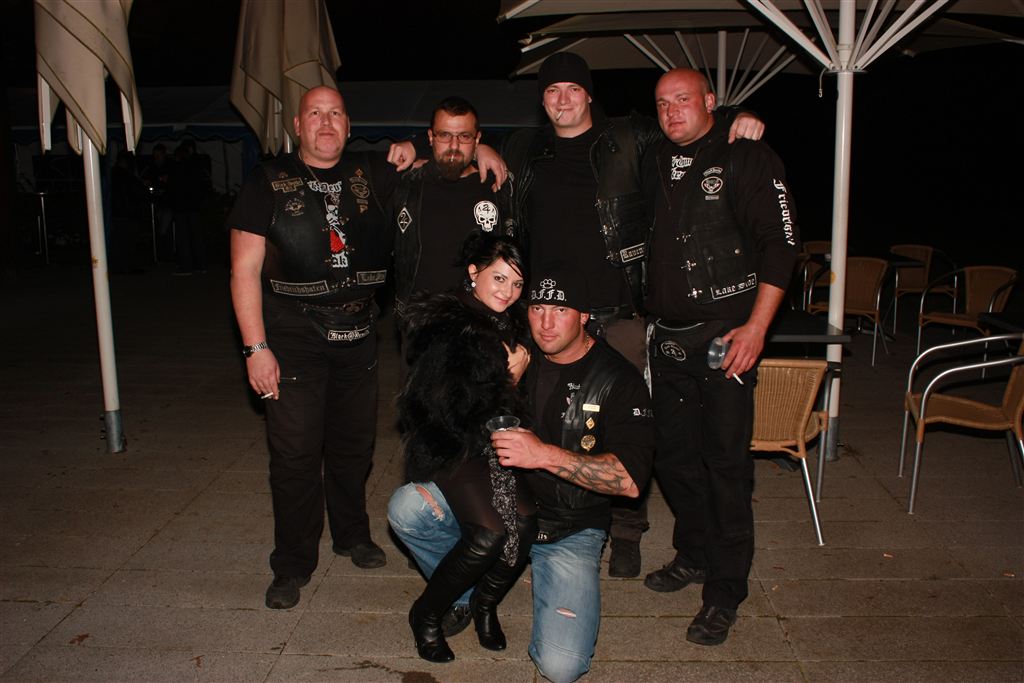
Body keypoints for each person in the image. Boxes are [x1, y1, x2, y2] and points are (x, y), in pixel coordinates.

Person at [496, 51, 765, 579]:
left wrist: (739, 116)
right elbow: (496, 178)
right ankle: (545, 514)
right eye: (552, 90)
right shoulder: (525, 149)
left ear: (589, 94)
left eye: (573, 89)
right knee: (547, 416)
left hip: (616, 310)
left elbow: (687, 123)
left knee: (625, 427)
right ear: (541, 100)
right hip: (550, 312)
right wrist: (482, 147)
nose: (563, 99)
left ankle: (626, 533)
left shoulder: (627, 137)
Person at [389, 263, 654, 683]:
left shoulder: (617, 379)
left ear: (585, 315)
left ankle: (487, 587)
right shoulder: (510, 351)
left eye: (560, 310)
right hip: (499, 503)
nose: (546, 323)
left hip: (567, 528)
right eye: (537, 308)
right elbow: (442, 417)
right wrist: (499, 386)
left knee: (562, 667)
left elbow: (629, 481)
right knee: (408, 507)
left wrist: (543, 455)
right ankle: (469, 595)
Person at [642, 68, 801, 646]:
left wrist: (757, 328)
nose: (672, 111)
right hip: (667, 338)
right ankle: (694, 554)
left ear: (711, 101)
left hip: (725, 338)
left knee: (726, 467)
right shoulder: (654, 157)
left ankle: (725, 591)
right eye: (663, 103)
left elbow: (782, 246)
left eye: (683, 100)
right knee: (673, 460)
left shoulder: (746, 155)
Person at [228, 86, 403, 611]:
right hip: (292, 337)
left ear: (348, 125)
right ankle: (292, 561)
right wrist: (255, 348)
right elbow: (243, 271)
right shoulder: (265, 181)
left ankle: (352, 535)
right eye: (315, 114)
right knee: (295, 455)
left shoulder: (374, 172)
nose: (326, 124)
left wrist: (481, 149)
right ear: (298, 126)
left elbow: (442, 164)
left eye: (335, 114)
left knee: (354, 448)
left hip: (359, 336)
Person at [398, 232, 535, 663]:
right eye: (499, 278)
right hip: (451, 443)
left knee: (525, 525)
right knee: (489, 534)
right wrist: (509, 379)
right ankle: (426, 614)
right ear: (473, 272)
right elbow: (444, 407)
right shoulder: (449, 325)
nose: (508, 292)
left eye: (517, 283)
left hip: (492, 441)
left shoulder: (505, 319)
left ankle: (484, 604)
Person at [391, 96, 513, 320]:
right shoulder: (407, 183)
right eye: (445, 135)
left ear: (477, 139)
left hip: (480, 321)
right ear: (431, 137)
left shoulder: (498, 187)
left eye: (464, 136)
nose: (454, 146)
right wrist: (413, 145)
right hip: (419, 322)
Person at [169, 139, 210, 275]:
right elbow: (203, 185)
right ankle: (201, 265)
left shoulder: (178, 168)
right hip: (194, 206)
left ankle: (186, 266)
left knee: (183, 237)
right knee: (197, 236)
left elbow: (173, 187)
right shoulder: (197, 166)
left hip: (182, 207)